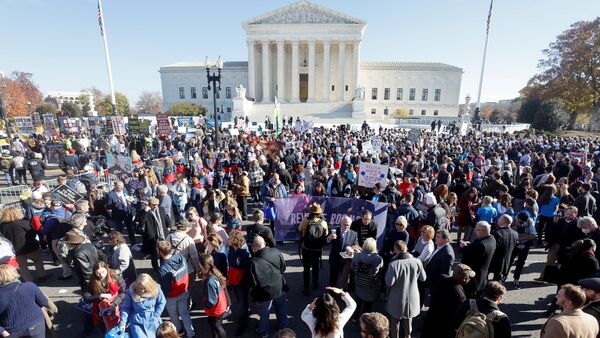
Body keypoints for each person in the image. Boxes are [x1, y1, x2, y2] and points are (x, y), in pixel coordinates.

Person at [384, 240, 426, 338]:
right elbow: (423, 278)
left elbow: (389, 282)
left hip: (396, 299)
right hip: (412, 298)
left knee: (394, 323)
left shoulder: (394, 264)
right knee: (408, 320)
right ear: (406, 248)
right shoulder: (417, 261)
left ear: (395, 249)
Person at [249, 236, 288, 338]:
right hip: (280, 286)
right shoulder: (276, 251)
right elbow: (283, 267)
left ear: (255, 248)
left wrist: (255, 297)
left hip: (265, 292)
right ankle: (283, 328)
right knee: (281, 308)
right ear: (264, 244)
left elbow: (254, 283)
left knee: (265, 313)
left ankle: (263, 332)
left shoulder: (254, 261)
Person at [422, 264, 474, 338]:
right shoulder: (460, 297)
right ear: (464, 278)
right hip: (445, 329)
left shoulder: (441, 278)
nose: (470, 279)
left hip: (431, 321)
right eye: (469, 277)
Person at [0, 264, 49, 338]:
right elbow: (44, 302)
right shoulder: (29, 286)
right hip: (35, 325)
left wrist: (2, 332)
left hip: (11, 332)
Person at [157, 241, 194, 338]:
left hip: (171, 296)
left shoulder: (163, 268)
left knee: (173, 315)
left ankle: (180, 331)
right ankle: (191, 334)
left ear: (160, 252)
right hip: (183, 290)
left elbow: (166, 288)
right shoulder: (181, 258)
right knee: (184, 313)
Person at [0, 205, 46, 282]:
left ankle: (28, 280)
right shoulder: (23, 222)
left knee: (23, 266)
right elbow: (32, 232)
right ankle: (41, 276)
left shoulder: (2, 226)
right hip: (30, 245)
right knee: (37, 260)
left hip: (16, 248)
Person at [119, 273, 167, 338]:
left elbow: (162, 302)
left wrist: (156, 314)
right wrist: (123, 323)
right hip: (137, 321)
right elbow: (126, 308)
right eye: (139, 288)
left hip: (153, 319)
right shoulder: (131, 292)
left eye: (144, 288)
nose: (142, 290)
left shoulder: (156, 289)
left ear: (149, 286)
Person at [83, 261, 126, 332]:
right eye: (98, 273)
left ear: (107, 269)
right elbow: (86, 298)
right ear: (95, 273)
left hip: (117, 307)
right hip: (101, 310)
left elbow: (123, 292)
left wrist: (114, 303)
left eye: (103, 272)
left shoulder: (115, 277)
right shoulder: (92, 282)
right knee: (105, 327)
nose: (101, 275)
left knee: (116, 326)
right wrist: (100, 295)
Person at [298, 203, 329, 294]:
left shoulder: (305, 220)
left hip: (306, 248)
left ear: (310, 211)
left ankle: (306, 287)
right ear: (319, 213)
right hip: (317, 249)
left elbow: (300, 229)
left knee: (306, 268)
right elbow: (326, 234)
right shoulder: (323, 222)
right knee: (316, 267)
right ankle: (315, 284)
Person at [460, 221, 497, 295]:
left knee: (471, 297)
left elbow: (469, 258)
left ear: (482, 231)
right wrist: (471, 246)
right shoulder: (492, 238)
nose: (475, 232)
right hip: (483, 274)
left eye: (476, 230)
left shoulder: (481, 245)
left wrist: (464, 247)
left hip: (475, 277)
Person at [351, 238, 383, 322]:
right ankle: (364, 322)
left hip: (359, 283)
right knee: (367, 306)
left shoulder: (357, 256)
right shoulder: (378, 258)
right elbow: (380, 269)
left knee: (358, 303)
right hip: (370, 286)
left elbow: (352, 267)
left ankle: (355, 318)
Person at [227, 230, 251, 336]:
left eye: (229, 238)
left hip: (241, 283)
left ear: (235, 240)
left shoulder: (244, 252)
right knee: (239, 300)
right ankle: (245, 312)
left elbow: (247, 270)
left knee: (243, 302)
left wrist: (243, 283)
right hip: (234, 281)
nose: (227, 240)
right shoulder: (232, 249)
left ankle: (243, 323)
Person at [198, 254, 228, 338]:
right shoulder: (214, 272)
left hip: (216, 308)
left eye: (200, 265)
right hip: (221, 303)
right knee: (212, 322)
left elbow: (211, 301)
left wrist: (204, 304)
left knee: (217, 326)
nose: (198, 266)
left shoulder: (209, 282)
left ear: (204, 266)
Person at [327, 215, 358, 289]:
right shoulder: (334, 231)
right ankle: (331, 294)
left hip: (346, 260)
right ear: (341, 223)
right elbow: (324, 242)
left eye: (348, 225)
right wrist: (328, 238)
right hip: (335, 258)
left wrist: (352, 249)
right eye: (344, 224)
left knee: (344, 278)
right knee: (333, 279)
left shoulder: (354, 234)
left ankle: (343, 294)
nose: (346, 226)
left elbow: (356, 245)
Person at [141, 197, 170, 272]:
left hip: (162, 235)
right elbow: (141, 222)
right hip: (152, 237)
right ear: (149, 204)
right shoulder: (145, 211)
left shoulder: (161, 209)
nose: (156, 206)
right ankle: (156, 270)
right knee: (154, 255)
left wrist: (168, 226)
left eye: (157, 205)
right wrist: (145, 212)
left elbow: (166, 217)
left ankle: (163, 268)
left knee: (163, 254)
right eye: (154, 205)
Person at [490, 214, 518, 283]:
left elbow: (492, 247)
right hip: (505, 261)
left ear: (503, 221)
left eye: (500, 218)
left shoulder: (497, 233)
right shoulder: (515, 233)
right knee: (497, 279)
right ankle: (497, 292)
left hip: (494, 260)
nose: (498, 219)